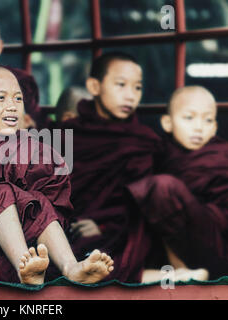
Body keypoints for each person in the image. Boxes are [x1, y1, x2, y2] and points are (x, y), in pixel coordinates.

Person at [0, 66, 114, 285]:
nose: (12, 106)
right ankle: (22, 267)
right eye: (1, 98)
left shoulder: (33, 147)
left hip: (37, 254)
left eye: (18, 98)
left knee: (38, 201)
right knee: (0, 193)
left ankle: (70, 267)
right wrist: (2, 269)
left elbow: (54, 208)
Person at [59, 52, 165, 283]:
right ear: (94, 86)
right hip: (74, 228)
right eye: (121, 85)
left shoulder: (145, 141)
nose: (130, 96)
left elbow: (146, 204)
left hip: (122, 231)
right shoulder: (67, 134)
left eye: (137, 88)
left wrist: (103, 225)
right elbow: (51, 192)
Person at [127, 86, 228, 280]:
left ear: (214, 127)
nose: (199, 127)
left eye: (207, 120)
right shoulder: (159, 151)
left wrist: (184, 209)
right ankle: (175, 274)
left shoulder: (220, 154)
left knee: (162, 188)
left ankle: (183, 274)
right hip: (166, 246)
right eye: (189, 118)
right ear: (167, 123)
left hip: (214, 244)